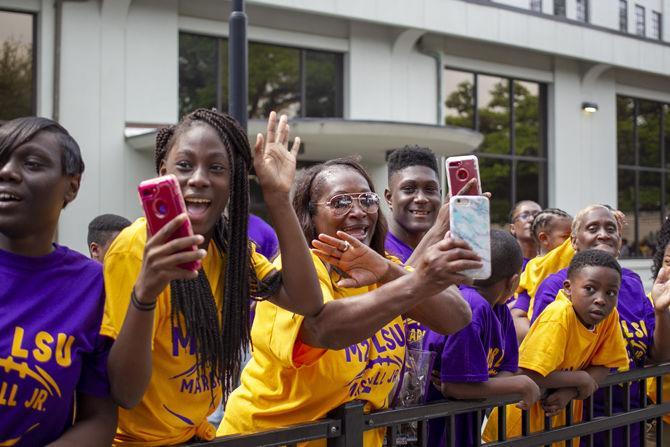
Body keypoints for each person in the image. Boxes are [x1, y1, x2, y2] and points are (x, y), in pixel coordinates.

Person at [101, 109, 326, 445]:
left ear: (234, 180)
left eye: (217, 168)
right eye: (185, 165)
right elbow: (125, 392)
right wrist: (145, 294)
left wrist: (279, 198)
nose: (199, 178)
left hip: (195, 435)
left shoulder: (231, 249)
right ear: (163, 173)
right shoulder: (135, 248)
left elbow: (307, 301)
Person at [219, 157, 478, 447]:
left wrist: (390, 271)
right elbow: (326, 329)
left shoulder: (382, 268)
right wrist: (415, 281)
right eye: (340, 202)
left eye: (367, 199)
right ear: (310, 215)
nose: (358, 212)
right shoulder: (296, 275)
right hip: (267, 439)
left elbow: (457, 317)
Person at [0, 117, 116, 445]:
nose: (6, 171)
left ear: (72, 186)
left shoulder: (92, 286)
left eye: (32, 163)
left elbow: (100, 417)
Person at [529, 204, 670, 447]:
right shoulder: (555, 287)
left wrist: (661, 310)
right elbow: (542, 362)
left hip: (629, 422)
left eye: (611, 228)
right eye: (593, 228)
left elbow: (657, 355)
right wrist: (576, 389)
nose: (603, 234)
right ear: (574, 241)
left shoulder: (633, 283)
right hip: (578, 424)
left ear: (619, 239)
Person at [483, 250, 631, 446]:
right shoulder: (559, 316)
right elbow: (526, 372)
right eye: (590, 289)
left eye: (611, 292)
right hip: (519, 427)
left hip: (560, 426)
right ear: (568, 288)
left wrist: (572, 391)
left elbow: (606, 364)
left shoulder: (608, 316)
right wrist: (581, 378)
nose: (601, 299)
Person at [423, 230, 541, 447]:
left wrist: (485, 385)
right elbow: (455, 387)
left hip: (466, 424)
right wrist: (521, 384)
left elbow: (507, 368)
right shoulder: (469, 306)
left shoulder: (500, 309)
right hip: (436, 431)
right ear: (514, 282)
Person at [384, 145, 442, 348]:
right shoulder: (374, 249)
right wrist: (438, 230)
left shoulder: (445, 251)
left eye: (430, 189)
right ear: (389, 198)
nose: (421, 198)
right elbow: (395, 296)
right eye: (409, 189)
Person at [509, 208, 572, 342]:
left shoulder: (531, 267)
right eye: (566, 237)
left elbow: (520, 291)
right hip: (546, 330)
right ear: (544, 238)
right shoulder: (557, 256)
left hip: (537, 326)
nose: (571, 241)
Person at [509, 200, 542, 269]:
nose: (532, 219)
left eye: (537, 216)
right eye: (524, 216)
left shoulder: (552, 260)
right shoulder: (507, 263)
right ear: (512, 228)